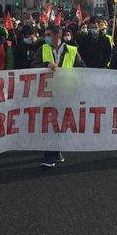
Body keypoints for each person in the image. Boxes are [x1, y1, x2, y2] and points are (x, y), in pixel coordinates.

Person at [31, 24, 86, 167]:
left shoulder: (72, 51)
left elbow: (83, 69)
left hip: (65, 93)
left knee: (60, 123)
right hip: (47, 92)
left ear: (58, 36)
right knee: (49, 123)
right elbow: (32, 67)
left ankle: (56, 150)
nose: (46, 37)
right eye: (45, 34)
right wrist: (45, 64)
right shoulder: (41, 50)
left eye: (49, 34)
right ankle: (48, 156)